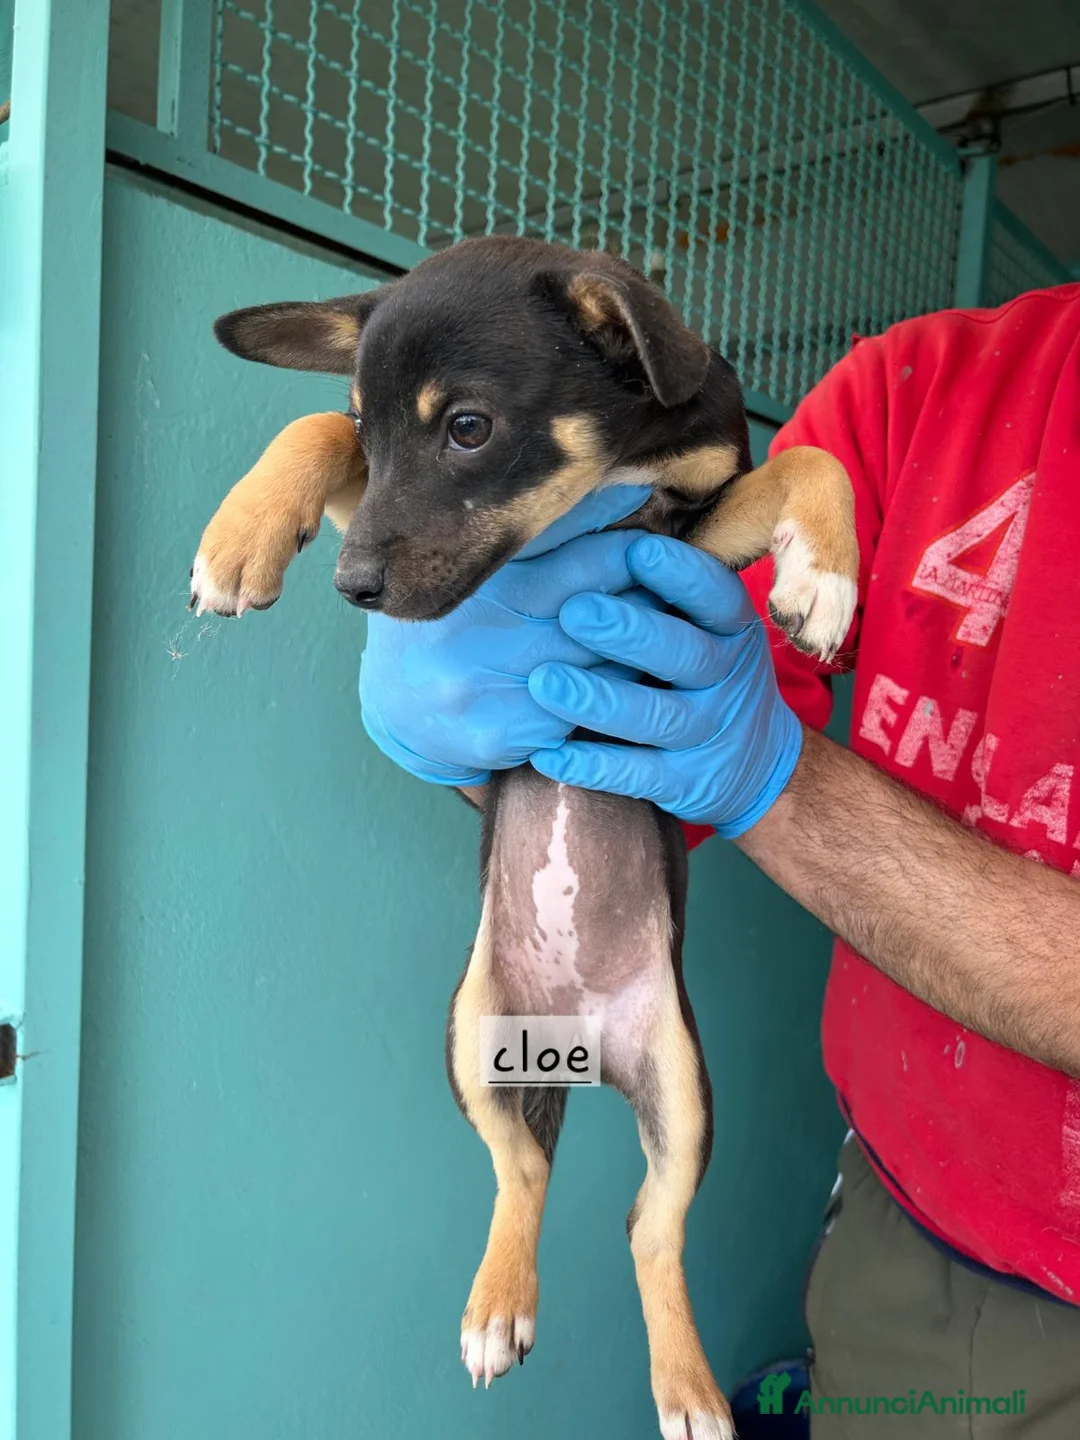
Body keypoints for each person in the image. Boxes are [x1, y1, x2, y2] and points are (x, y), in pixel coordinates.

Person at [359, 281, 1080, 1433]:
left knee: (665, 1131)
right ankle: (519, 1202)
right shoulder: (921, 383)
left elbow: (723, 738)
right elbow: (676, 690)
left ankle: (649, 1283)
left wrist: (771, 773)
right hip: (904, 1227)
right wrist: (473, 718)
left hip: (675, 1021)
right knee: (517, 1063)